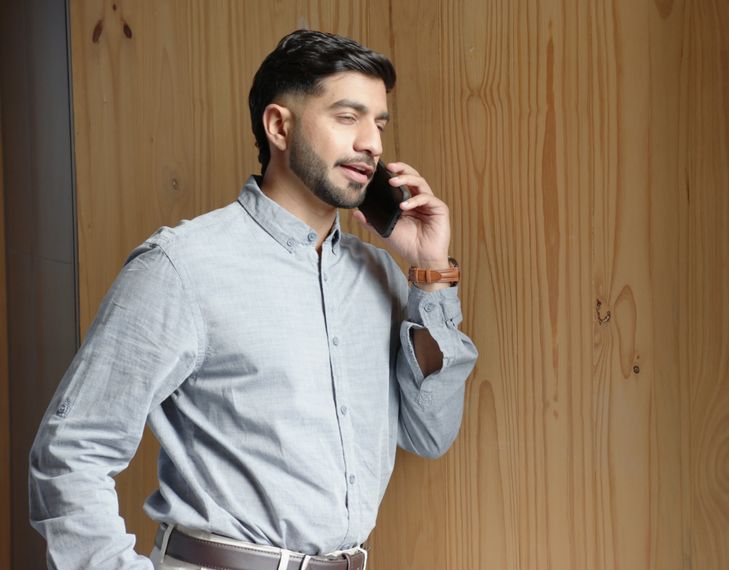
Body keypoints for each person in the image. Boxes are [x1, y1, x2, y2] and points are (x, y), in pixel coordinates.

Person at [28, 29, 478, 569]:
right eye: (347, 117)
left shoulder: (378, 275)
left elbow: (430, 434)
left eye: (379, 123)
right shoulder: (181, 267)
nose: (373, 144)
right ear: (279, 126)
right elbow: (69, 453)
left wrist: (430, 275)